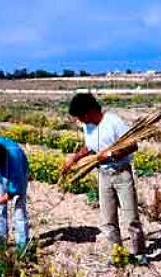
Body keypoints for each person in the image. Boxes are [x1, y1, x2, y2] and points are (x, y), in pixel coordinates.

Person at [61, 93, 147, 265]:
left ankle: (139, 253)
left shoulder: (113, 122)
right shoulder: (88, 126)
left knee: (131, 217)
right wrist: (74, 158)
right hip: (104, 175)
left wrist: (108, 155)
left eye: (82, 116)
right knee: (108, 220)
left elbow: (132, 145)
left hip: (122, 174)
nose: (81, 121)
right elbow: (89, 147)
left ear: (91, 111)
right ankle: (117, 253)